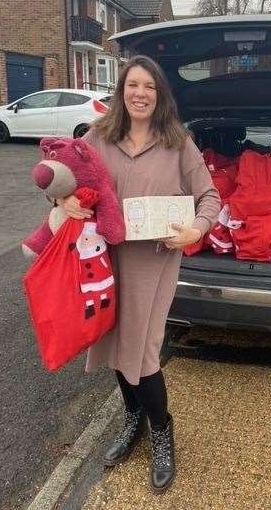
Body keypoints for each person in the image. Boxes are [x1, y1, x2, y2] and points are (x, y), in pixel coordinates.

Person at [57, 55, 220, 494]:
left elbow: (210, 197)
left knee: (144, 352)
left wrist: (195, 230)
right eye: (133, 85)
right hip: (103, 261)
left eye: (149, 86)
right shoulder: (99, 137)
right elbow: (64, 182)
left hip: (154, 263)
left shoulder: (177, 142)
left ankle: (162, 430)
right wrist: (64, 204)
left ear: (160, 93)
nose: (140, 93)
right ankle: (133, 421)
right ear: (122, 91)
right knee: (112, 340)